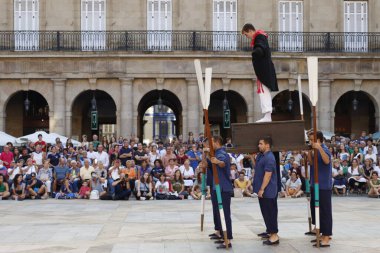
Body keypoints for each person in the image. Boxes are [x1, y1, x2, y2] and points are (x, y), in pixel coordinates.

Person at [241, 23, 278, 122]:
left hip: (264, 70)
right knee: (263, 91)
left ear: (250, 30)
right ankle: (267, 115)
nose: (246, 37)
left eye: (246, 34)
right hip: (264, 70)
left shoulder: (259, 37)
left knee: (263, 91)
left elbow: (260, 48)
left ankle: (267, 115)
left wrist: (254, 53)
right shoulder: (260, 37)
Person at [307, 130, 332, 247]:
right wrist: (309, 152)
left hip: (323, 186)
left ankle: (326, 236)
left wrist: (319, 148)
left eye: (312, 140)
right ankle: (321, 233)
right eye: (310, 140)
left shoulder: (324, 149)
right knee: (317, 211)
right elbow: (311, 163)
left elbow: (327, 160)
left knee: (325, 212)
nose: (311, 142)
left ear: (319, 140)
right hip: (315, 184)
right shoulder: (314, 150)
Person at [253, 136, 279, 245]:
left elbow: (268, 175)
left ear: (267, 145)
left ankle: (274, 236)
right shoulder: (262, 156)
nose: (258, 146)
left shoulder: (270, 157)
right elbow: (258, 167)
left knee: (270, 213)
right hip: (263, 191)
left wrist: (262, 189)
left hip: (268, 191)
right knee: (265, 212)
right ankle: (269, 231)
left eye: (260, 144)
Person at [209, 136, 233, 249]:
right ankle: (224, 238)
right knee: (221, 214)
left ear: (217, 142)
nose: (210, 144)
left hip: (224, 188)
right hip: (219, 187)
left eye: (211, 142)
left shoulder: (221, 152)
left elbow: (223, 162)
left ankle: (227, 239)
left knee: (225, 215)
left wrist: (217, 161)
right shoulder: (216, 152)